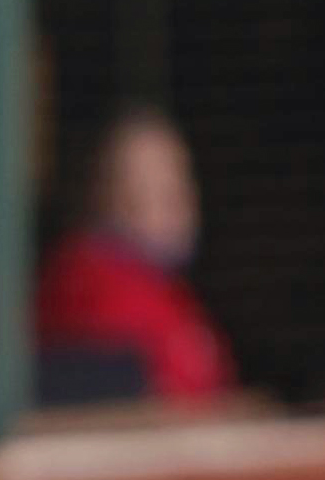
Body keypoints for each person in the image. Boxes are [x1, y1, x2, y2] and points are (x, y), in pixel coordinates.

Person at [35, 107, 235, 406]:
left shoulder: (155, 287)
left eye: (181, 183)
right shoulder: (92, 291)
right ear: (110, 195)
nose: (184, 206)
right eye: (163, 190)